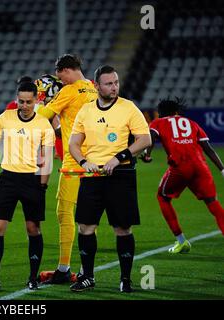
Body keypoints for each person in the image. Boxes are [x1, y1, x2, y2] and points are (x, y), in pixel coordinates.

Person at [68, 65, 151, 293]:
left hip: (121, 176)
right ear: (96, 86)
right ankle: (88, 277)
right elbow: (73, 144)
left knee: (122, 228)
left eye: (116, 82)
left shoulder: (128, 108)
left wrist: (119, 157)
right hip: (92, 176)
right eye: (109, 83)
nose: (114, 87)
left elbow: (144, 140)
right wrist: (85, 163)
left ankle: (125, 278)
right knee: (86, 227)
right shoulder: (85, 111)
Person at [0, 81, 55, 291]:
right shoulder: (4, 119)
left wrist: (43, 185)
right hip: (8, 179)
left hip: (32, 181)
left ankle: (33, 277)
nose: (24, 105)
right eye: (21, 101)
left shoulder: (43, 124)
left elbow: (47, 156)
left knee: (33, 228)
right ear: (16, 99)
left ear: (36, 101)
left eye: (28, 102)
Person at [36, 54, 97, 284]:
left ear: (66, 70)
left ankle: (63, 268)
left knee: (65, 214)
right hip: (94, 163)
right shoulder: (93, 88)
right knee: (88, 218)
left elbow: (41, 118)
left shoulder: (69, 91)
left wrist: (41, 99)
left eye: (59, 73)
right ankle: (86, 271)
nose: (58, 78)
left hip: (74, 163)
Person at [141, 98, 224, 253]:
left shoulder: (158, 122)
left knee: (163, 197)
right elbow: (208, 148)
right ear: (177, 111)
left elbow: (151, 136)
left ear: (160, 112)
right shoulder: (192, 123)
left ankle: (181, 241)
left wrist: (147, 154)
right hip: (201, 167)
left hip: (180, 167)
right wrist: (222, 169)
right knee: (212, 202)